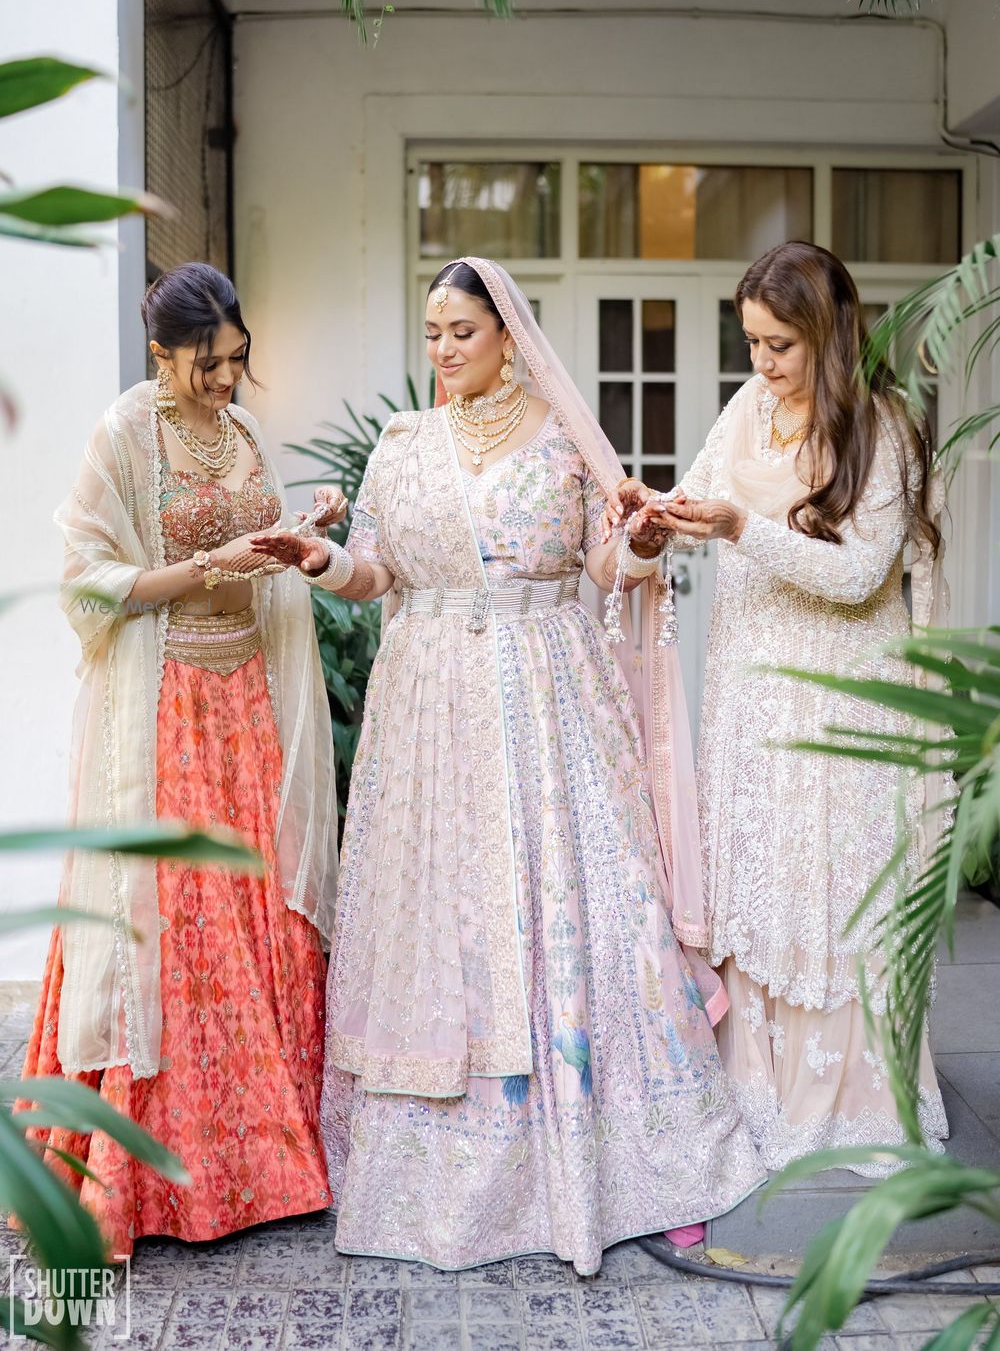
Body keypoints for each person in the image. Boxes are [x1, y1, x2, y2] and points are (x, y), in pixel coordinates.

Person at [251, 257, 764, 1275]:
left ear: (508, 336)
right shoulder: (404, 446)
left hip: (546, 703)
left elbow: (604, 568)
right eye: (431, 332)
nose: (441, 351)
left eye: (461, 333)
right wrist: (319, 565)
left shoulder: (564, 444)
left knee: (567, 910)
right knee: (441, 916)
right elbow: (375, 572)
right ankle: (432, 1174)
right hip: (428, 712)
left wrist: (646, 541)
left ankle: (620, 1154)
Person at [608, 241, 948, 1175]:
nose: (762, 363)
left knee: (829, 882)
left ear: (830, 334)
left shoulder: (883, 429)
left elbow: (857, 575)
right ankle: (755, 1083)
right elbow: (700, 495)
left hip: (841, 695)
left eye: (780, 346)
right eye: (752, 341)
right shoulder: (748, 409)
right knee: (757, 875)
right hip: (749, 686)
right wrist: (656, 514)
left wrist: (740, 529)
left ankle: (847, 1099)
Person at [20, 262, 339, 1255]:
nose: (227, 383)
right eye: (208, 364)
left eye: (238, 361)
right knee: (176, 932)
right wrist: (210, 566)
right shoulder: (124, 434)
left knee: (258, 922)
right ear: (162, 353)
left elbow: (260, 552)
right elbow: (88, 583)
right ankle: (148, 1185)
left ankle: (267, 1167)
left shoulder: (240, 437)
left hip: (245, 704)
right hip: (164, 711)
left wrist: (297, 534)